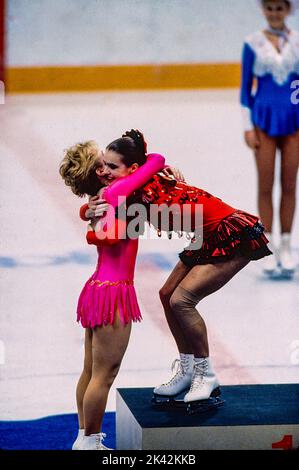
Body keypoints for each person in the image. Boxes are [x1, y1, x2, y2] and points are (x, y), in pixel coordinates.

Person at [81, 133, 272, 408]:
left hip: (230, 233)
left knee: (182, 300)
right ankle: (186, 368)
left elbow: (117, 222)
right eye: (104, 166)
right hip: (204, 236)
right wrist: (87, 212)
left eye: (112, 167)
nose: (105, 172)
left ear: (133, 170)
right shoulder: (131, 189)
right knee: (166, 294)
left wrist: (89, 226)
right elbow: (143, 173)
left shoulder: (133, 189)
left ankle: (205, 373)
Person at [59, 133, 165, 450]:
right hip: (114, 292)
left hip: (97, 286)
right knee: (104, 375)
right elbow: (155, 160)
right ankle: (88, 441)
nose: (107, 167)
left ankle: (84, 436)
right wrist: (151, 167)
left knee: (91, 371)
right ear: (96, 172)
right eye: (102, 164)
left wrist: (87, 216)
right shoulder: (118, 190)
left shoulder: (102, 197)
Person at [240, 0, 299, 276]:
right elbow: (244, 89)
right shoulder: (252, 43)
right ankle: (269, 245)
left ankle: (286, 244)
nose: (275, 13)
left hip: (294, 121)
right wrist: (248, 126)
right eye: (270, 7)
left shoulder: (298, 42)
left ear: (288, 10)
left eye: (280, 8)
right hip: (262, 120)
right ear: (263, 10)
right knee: (265, 184)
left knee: (289, 184)